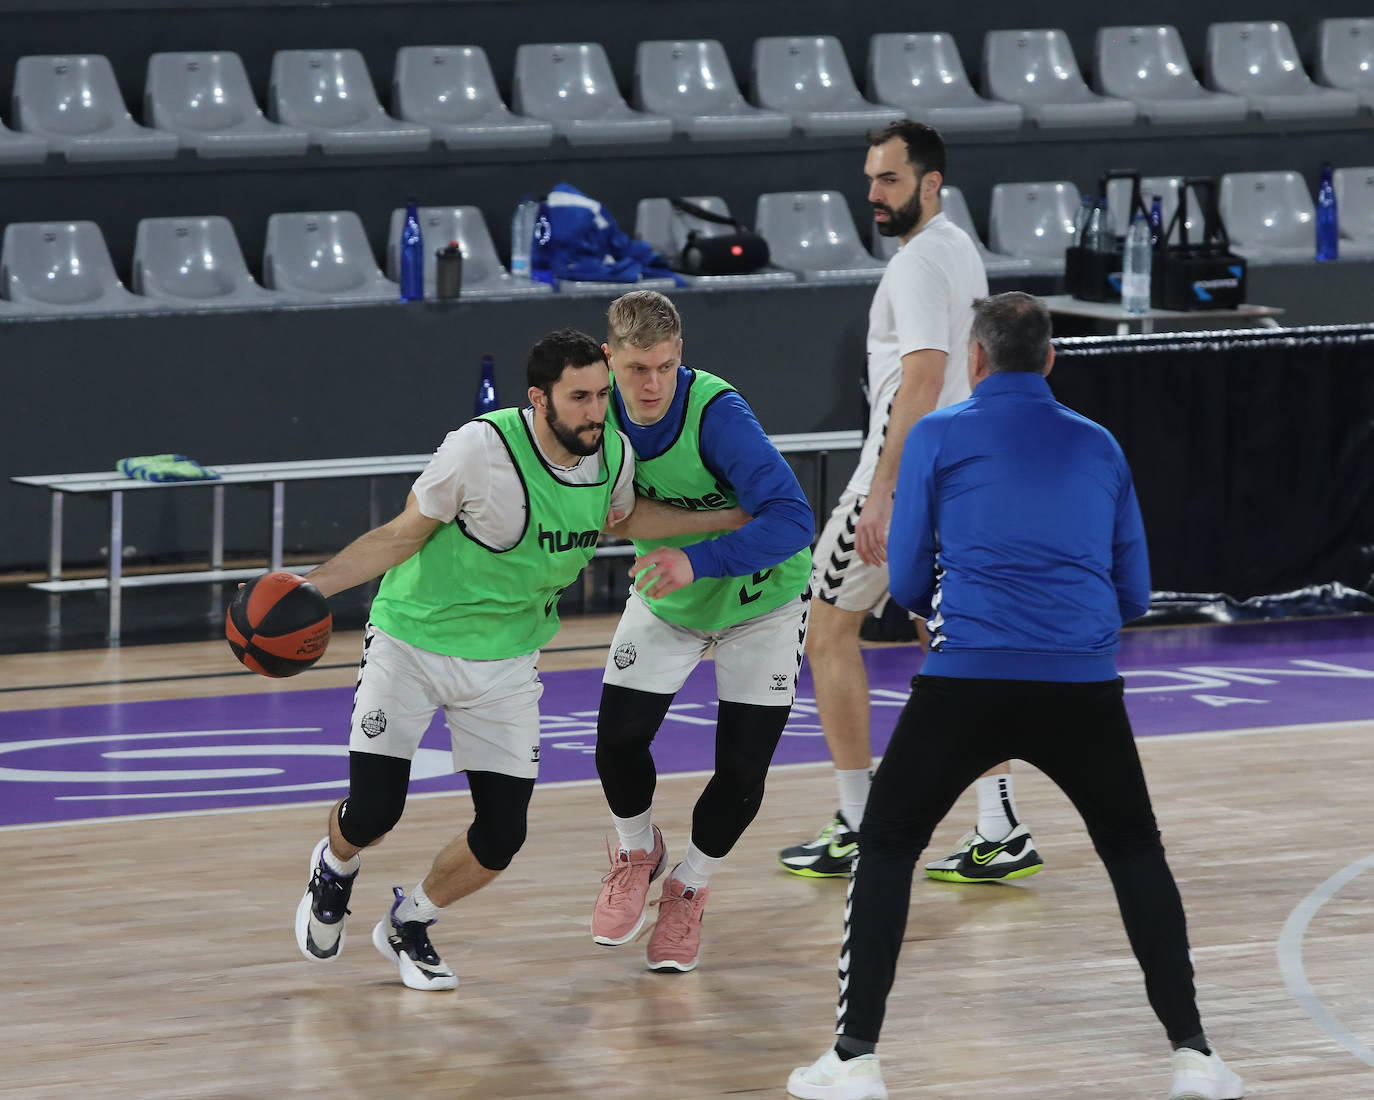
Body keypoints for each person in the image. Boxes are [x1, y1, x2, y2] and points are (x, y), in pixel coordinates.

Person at [788, 293, 1243, 1100]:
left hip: (966, 682)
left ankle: (855, 1059)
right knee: (1136, 852)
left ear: (975, 360)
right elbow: (1134, 590)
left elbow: (906, 571)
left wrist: (952, 604)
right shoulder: (1100, 445)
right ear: (1051, 360)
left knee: (888, 843)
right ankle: (1195, 1056)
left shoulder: (935, 434)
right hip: (1082, 688)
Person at [293, 328, 735, 991]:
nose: (596, 410)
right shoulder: (478, 448)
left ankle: (408, 924)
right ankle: (335, 863)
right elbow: (399, 533)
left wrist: (729, 518)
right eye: (580, 397)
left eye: (602, 395)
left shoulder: (610, 454)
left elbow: (623, 518)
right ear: (539, 398)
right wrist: (308, 589)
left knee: (502, 835)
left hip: (504, 663)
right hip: (411, 642)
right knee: (375, 811)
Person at [779, 118, 1042, 885]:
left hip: (903, 478)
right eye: (870, 179)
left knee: (825, 630)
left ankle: (862, 823)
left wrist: (884, 494)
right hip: (962, 475)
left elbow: (924, 378)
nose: (873, 194)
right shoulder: (958, 246)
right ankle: (1000, 828)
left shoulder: (920, 264)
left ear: (930, 182)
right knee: (953, 650)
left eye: (889, 179)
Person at [590, 290, 815, 972]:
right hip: (670, 598)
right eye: (635, 370)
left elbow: (793, 519)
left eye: (663, 367)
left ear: (679, 356)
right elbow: (599, 515)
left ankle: (689, 885)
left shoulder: (719, 416)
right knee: (616, 741)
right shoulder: (594, 419)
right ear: (610, 360)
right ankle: (637, 851)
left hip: (762, 601)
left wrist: (697, 557)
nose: (651, 384)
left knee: (743, 770)